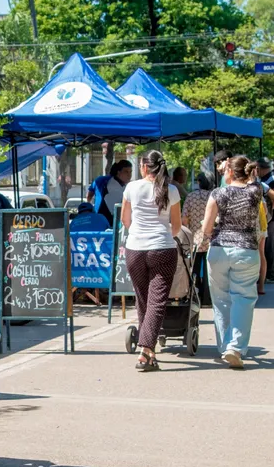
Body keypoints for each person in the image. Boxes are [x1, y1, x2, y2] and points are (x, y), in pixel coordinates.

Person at [121, 150, 181, 372]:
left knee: (143, 298)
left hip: (135, 248)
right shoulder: (171, 190)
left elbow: (125, 220)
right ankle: (146, 350)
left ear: (144, 167)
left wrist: (138, 233)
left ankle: (149, 350)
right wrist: (165, 235)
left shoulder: (131, 188)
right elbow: (176, 226)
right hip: (162, 247)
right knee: (156, 301)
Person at [201, 156, 263, 369]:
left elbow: (207, 228)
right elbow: (256, 182)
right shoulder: (255, 191)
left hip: (219, 250)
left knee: (220, 299)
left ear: (229, 171)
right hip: (246, 250)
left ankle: (224, 346)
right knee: (243, 298)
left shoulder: (218, 193)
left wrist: (211, 232)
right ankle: (234, 347)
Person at [182, 171, 214, 306]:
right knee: (209, 270)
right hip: (211, 238)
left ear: (199, 182)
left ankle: (194, 297)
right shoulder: (213, 196)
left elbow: (184, 218)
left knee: (193, 269)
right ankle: (208, 298)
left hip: (194, 239)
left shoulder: (191, 196)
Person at [257, 158, 274, 284]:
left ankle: (271, 274)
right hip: (270, 217)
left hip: (272, 218)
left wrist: (268, 212)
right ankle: (268, 273)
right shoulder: (267, 178)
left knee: (270, 246)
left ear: (260, 168)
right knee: (267, 246)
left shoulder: (272, 178)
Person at [87, 159, 132, 227]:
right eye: (126, 172)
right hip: (109, 221)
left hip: (99, 218)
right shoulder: (112, 185)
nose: (129, 175)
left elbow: (89, 195)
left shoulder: (100, 179)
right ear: (118, 172)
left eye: (130, 172)